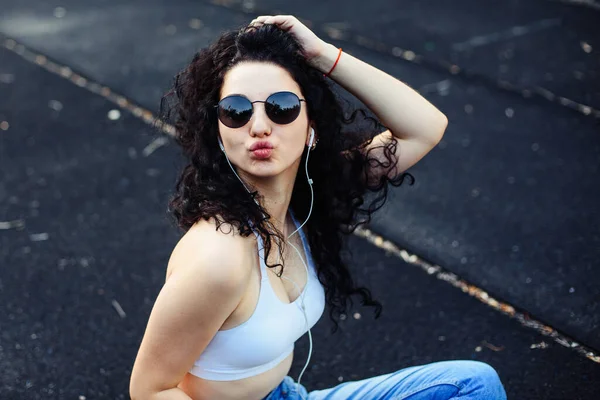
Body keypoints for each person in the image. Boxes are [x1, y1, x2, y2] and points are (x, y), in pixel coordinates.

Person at [130, 15, 507, 400]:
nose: (259, 126)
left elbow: (424, 127)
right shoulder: (218, 259)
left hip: (286, 394)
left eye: (281, 106)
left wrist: (322, 54)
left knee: (475, 385)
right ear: (220, 134)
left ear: (311, 127)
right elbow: (148, 391)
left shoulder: (302, 203)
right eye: (237, 111)